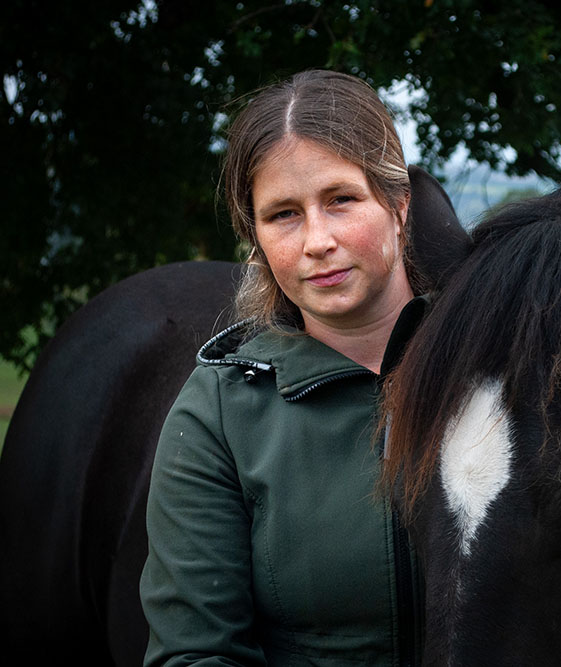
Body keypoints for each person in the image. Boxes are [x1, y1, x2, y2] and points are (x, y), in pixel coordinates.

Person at [139, 69, 433, 666]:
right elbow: (195, 655)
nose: (316, 240)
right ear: (256, 239)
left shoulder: (503, 368)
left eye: (341, 200)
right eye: (283, 215)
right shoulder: (216, 414)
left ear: (399, 206)